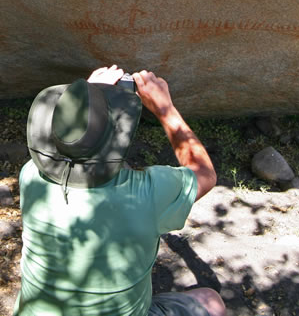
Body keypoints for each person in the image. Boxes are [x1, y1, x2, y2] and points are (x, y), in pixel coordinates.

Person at [13, 65, 226, 316]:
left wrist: (84, 100)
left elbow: (72, 148)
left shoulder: (31, 175)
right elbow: (204, 173)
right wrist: (164, 108)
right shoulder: (147, 194)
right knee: (211, 301)